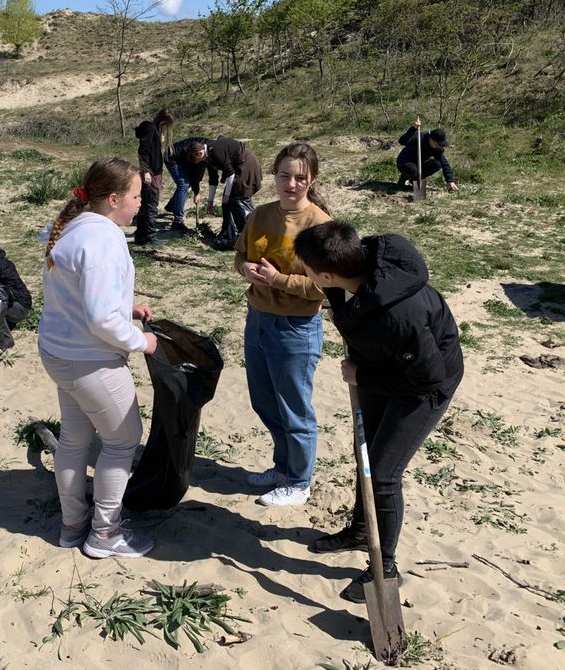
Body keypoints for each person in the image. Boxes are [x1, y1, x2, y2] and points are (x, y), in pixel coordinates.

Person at [294, 220, 464, 603]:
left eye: (305, 268)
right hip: (382, 366)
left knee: (384, 472)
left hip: (424, 383)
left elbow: (427, 379)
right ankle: (360, 530)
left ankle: (384, 566)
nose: (302, 273)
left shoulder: (398, 313)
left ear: (326, 274)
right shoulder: (352, 272)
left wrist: (363, 374)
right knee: (366, 453)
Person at [38, 157, 159, 559]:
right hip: (91, 361)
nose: (141, 203)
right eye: (136, 196)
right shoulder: (104, 238)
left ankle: (73, 523)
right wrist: (142, 342)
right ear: (112, 199)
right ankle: (104, 534)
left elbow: (80, 299)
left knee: (74, 439)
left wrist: (128, 310)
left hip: (60, 353)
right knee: (123, 441)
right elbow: (101, 317)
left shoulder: (73, 229)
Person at [235, 142, 332, 507]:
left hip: (296, 328)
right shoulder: (259, 215)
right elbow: (241, 256)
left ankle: (299, 480)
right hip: (258, 319)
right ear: (274, 176)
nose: (291, 184)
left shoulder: (320, 226)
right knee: (265, 402)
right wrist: (246, 268)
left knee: (295, 408)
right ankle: (282, 466)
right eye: (284, 176)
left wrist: (276, 280)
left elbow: (322, 288)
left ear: (312, 180)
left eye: (300, 178)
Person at [184, 136, 263, 250]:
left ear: (199, 153)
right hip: (238, 167)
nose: (199, 163)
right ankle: (230, 236)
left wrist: (226, 195)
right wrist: (210, 201)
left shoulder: (215, 151)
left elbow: (230, 174)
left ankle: (253, 236)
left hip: (246, 164)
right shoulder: (208, 157)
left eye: (197, 160)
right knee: (227, 204)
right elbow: (213, 180)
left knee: (238, 199)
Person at [133, 109, 174, 246]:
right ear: (163, 122)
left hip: (153, 172)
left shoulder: (152, 130)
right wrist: (145, 171)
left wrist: (159, 140)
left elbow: (150, 150)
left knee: (146, 205)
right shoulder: (151, 129)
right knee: (151, 206)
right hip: (150, 173)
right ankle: (149, 236)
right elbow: (143, 150)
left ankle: (141, 236)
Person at [396, 117, 459, 192]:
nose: (439, 145)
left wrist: (450, 180)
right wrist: (413, 129)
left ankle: (414, 181)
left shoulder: (436, 148)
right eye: (437, 143)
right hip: (405, 162)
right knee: (413, 170)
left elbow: (444, 163)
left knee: (436, 164)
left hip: (419, 164)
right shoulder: (419, 137)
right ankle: (403, 179)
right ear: (432, 140)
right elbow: (402, 141)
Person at [164, 136, 211, 232]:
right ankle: (178, 221)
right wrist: (197, 192)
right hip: (171, 156)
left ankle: (173, 205)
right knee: (183, 184)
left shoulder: (208, 151)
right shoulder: (198, 153)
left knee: (186, 183)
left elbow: (199, 171)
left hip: (182, 158)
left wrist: (197, 191)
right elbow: (195, 173)